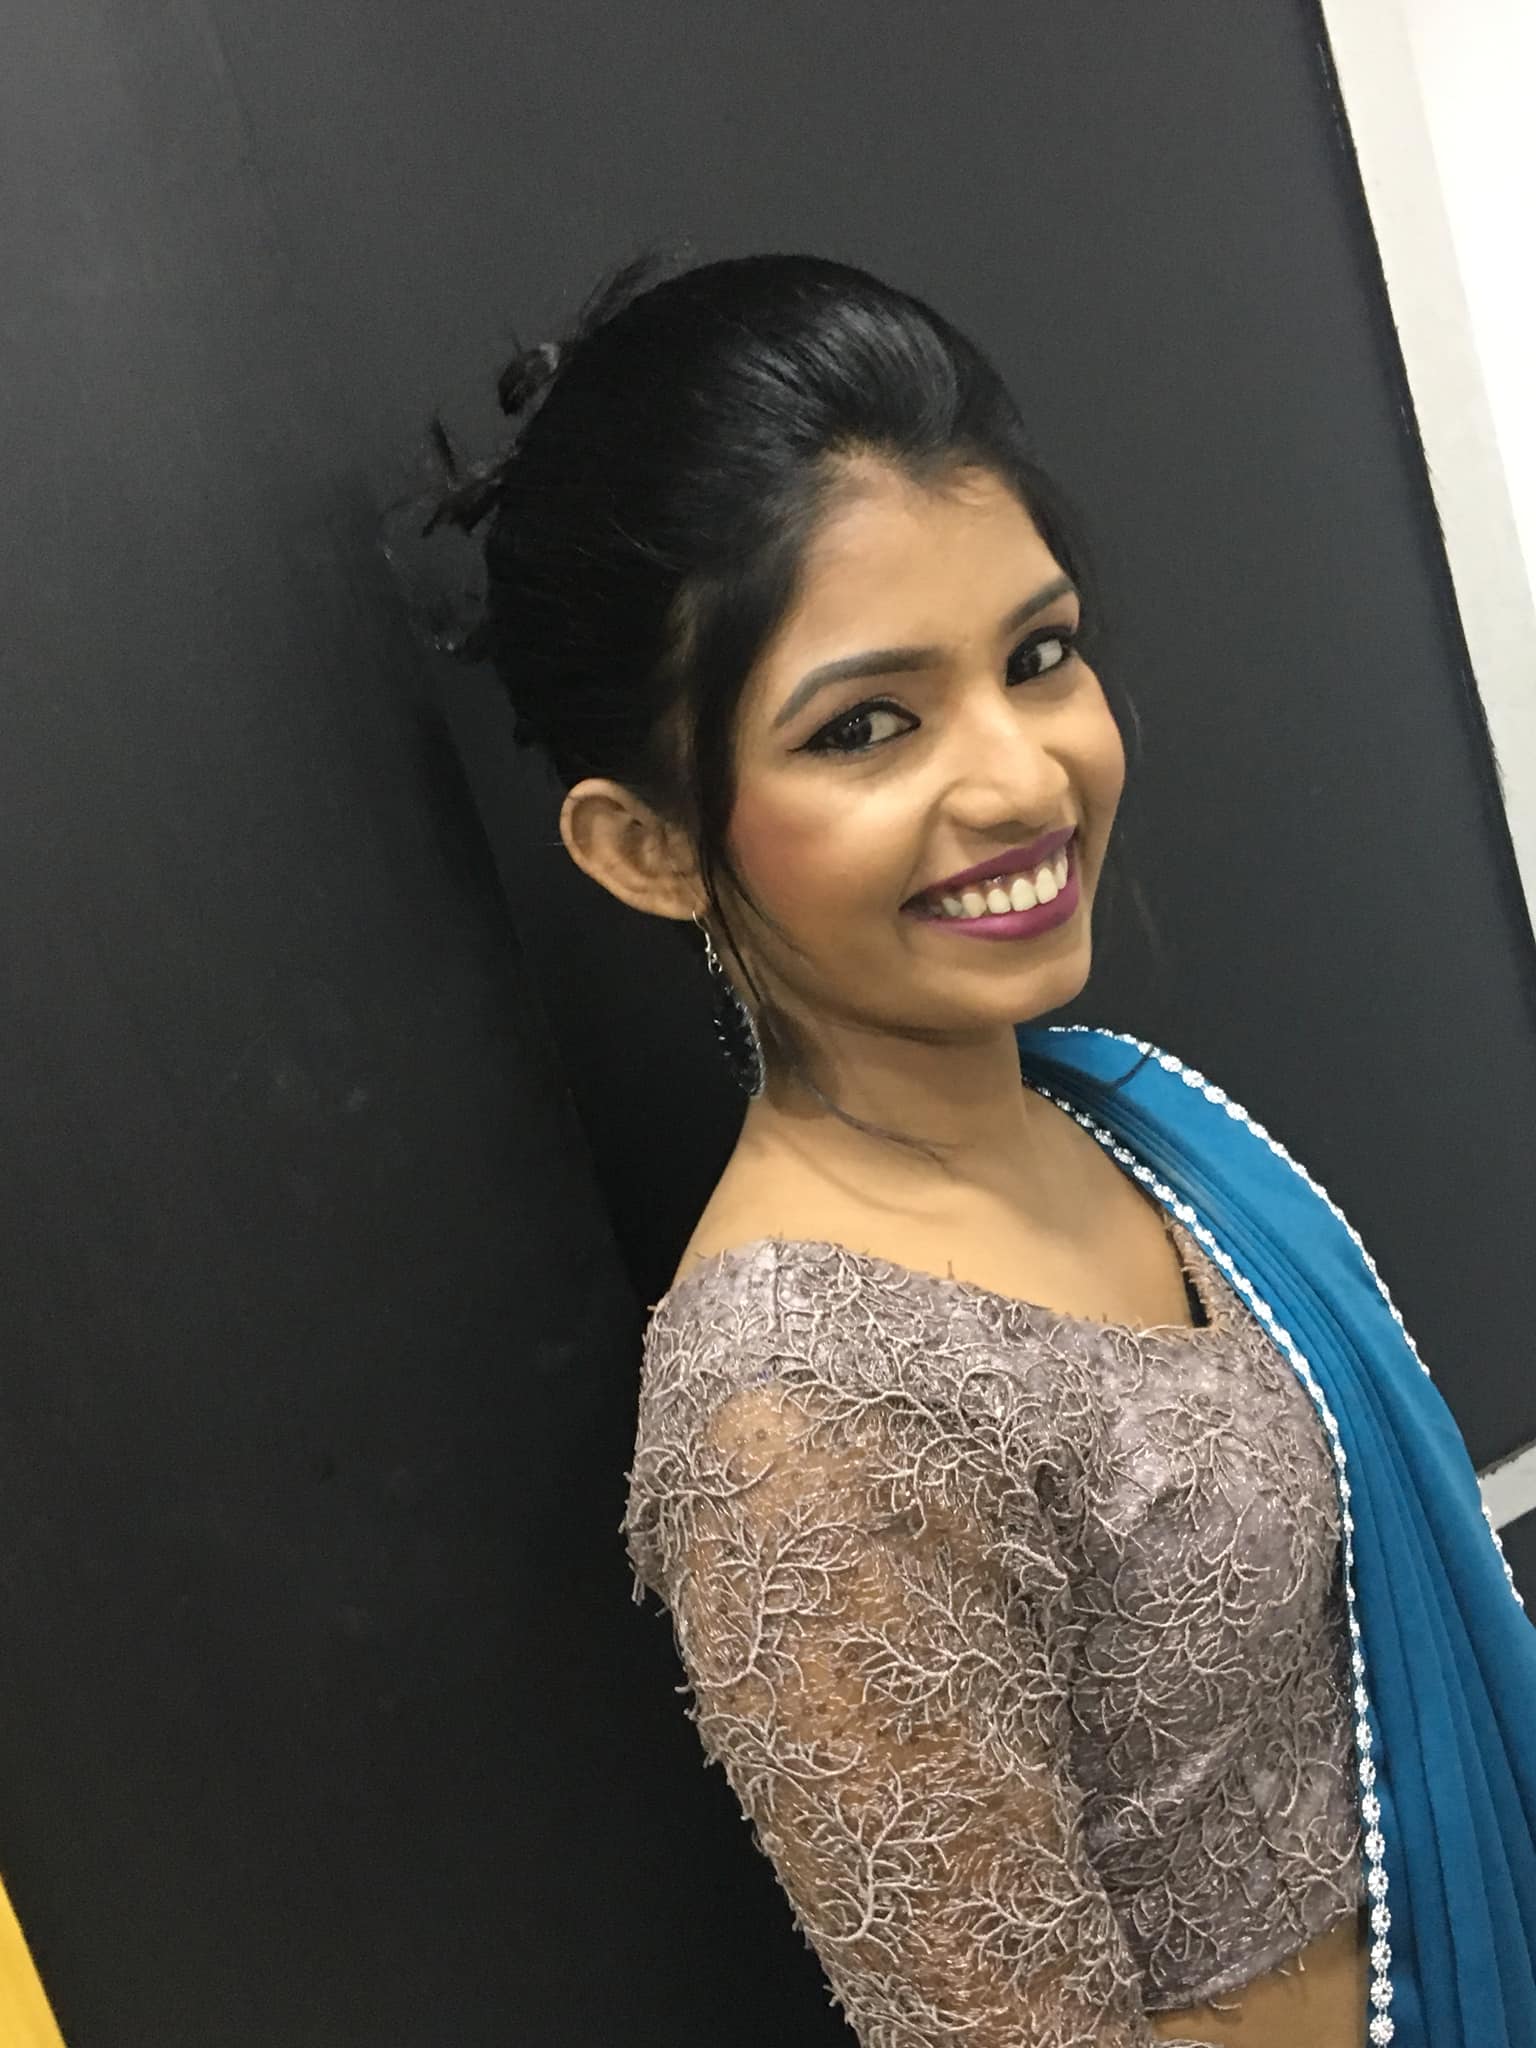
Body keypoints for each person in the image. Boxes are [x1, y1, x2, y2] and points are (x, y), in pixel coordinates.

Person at [426, 247, 1536, 2048]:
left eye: (1039, 657)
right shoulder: (795, 1413)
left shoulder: (1114, 1116)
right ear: (649, 846)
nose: (1023, 779)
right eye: (866, 725)